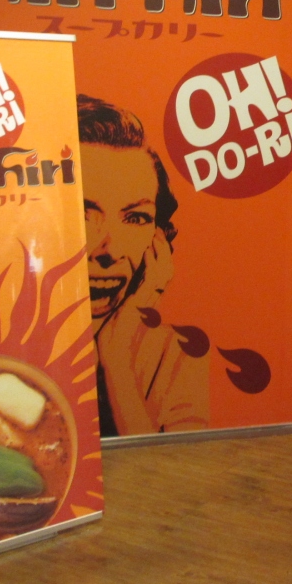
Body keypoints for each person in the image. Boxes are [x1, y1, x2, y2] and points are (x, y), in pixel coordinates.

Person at [77, 94, 209, 436]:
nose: (111, 250)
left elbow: (166, 466)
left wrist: (116, 354)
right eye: (83, 215)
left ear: (158, 237)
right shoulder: (6, 341)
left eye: (135, 218)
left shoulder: (174, 354)